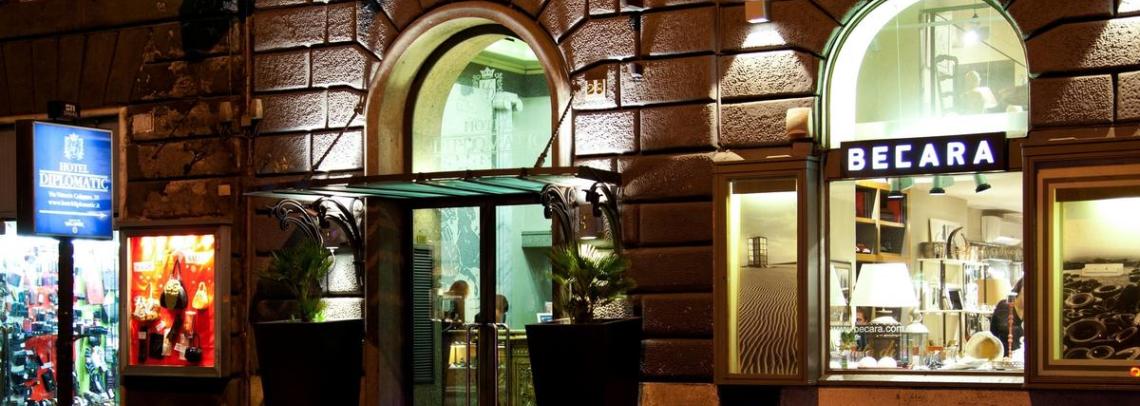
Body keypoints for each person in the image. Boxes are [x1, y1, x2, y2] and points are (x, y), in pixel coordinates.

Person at [990, 277, 1024, 354]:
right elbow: (993, 333)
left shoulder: (1036, 311)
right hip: (1003, 356)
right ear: (1021, 289)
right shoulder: (1004, 307)